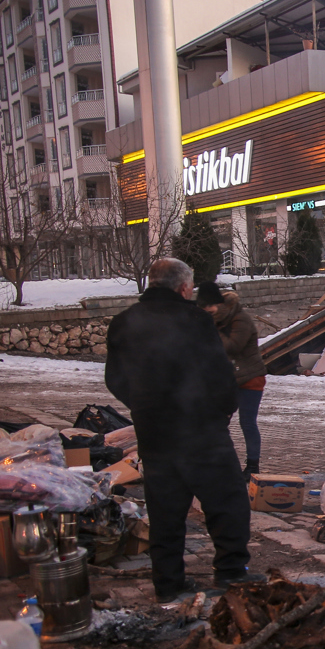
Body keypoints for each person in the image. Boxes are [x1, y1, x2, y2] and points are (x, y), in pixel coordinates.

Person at [104, 258, 259, 604]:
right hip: (201, 429)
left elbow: (114, 378)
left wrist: (142, 405)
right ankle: (231, 571)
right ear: (184, 287)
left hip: (154, 432)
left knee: (165, 509)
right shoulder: (196, 321)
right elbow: (219, 373)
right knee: (227, 501)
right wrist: (221, 412)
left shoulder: (124, 321)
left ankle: (169, 583)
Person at [197, 282, 266, 476]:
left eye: (208, 308)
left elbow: (233, 346)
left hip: (250, 378)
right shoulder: (218, 321)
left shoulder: (240, 319)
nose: (206, 311)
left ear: (218, 305)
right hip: (228, 379)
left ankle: (252, 466)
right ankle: (215, 462)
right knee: (218, 421)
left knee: (247, 422)